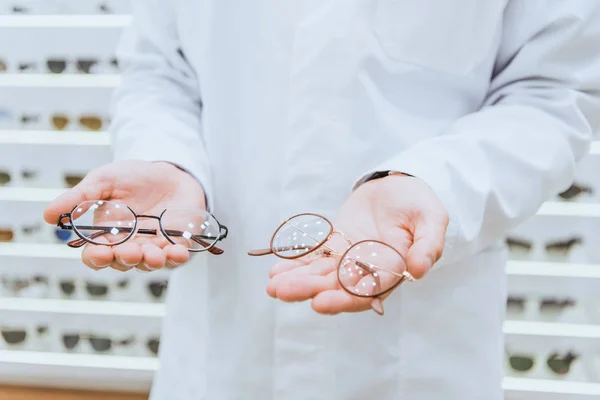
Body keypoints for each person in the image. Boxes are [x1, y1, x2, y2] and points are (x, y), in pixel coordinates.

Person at [44, 1, 600, 399]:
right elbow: (160, 70)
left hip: (413, 357)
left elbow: (551, 92)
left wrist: (433, 182)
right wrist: (167, 158)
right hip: (221, 349)